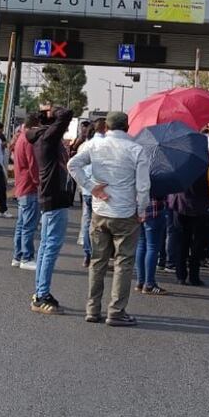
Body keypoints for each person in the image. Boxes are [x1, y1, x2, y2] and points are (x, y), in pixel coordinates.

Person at [68, 110, 150, 327]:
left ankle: (92, 308)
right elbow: (143, 186)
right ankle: (116, 311)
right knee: (123, 262)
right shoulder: (137, 150)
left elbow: (72, 165)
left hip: (100, 210)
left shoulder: (94, 146)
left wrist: (91, 187)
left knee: (98, 262)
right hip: (126, 213)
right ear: (127, 127)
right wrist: (142, 210)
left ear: (106, 127)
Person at [24, 104, 75, 314]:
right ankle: (41, 295)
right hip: (54, 196)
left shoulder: (43, 137)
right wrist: (52, 109)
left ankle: (40, 292)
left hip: (52, 196)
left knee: (46, 246)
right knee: (51, 246)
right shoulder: (46, 138)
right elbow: (66, 115)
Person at [167, 167, 209, 286]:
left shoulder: (178, 167)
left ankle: (181, 275)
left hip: (180, 205)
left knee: (181, 242)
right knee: (197, 244)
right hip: (200, 207)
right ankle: (194, 276)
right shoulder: (205, 169)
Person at [74, 118, 107, 268]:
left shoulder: (85, 145)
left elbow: (74, 166)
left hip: (87, 190)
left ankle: (88, 255)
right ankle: (99, 256)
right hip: (101, 189)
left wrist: (84, 184)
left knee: (87, 222)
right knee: (101, 224)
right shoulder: (106, 145)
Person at [12, 114, 41, 270]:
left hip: (22, 186)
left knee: (21, 225)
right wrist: (40, 184)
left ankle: (17, 256)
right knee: (29, 226)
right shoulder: (29, 141)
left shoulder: (20, 139)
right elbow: (33, 166)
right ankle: (26, 257)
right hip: (30, 187)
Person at [135, 196, 168, 295]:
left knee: (141, 245)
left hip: (138, 208)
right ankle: (149, 284)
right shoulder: (156, 179)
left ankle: (140, 281)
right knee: (152, 248)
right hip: (154, 211)